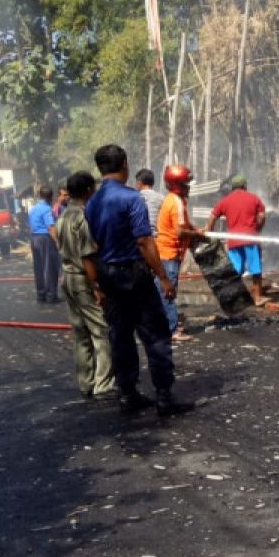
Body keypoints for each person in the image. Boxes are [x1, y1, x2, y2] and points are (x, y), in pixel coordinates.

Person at [86, 144, 186, 415]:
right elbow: (143, 240)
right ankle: (164, 395)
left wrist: (96, 284)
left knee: (120, 335)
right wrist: (164, 278)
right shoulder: (132, 198)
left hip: (108, 274)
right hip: (133, 274)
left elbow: (93, 245)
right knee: (155, 334)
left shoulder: (92, 202)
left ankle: (127, 394)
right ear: (125, 165)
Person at [54, 171, 115, 400]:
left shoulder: (62, 217)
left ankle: (85, 382)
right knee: (100, 331)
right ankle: (104, 383)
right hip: (82, 278)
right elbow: (89, 256)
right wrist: (97, 286)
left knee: (80, 333)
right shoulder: (83, 217)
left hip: (68, 277)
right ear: (89, 190)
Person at [205, 174, 267, 306]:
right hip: (250, 239)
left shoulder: (225, 201)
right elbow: (262, 216)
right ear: (244, 186)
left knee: (235, 270)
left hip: (233, 241)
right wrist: (258, 230)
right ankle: (257, 298)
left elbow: (213, 216)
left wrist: (209, 231)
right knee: (255, 268)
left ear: (232, 187)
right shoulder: (253, 198)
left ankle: (232, 299)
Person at [157, 164, 203, 341]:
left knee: (162, 292)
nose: (189, 187)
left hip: (167, 253)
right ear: (177, 184)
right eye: (186, 183)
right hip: (169, 254)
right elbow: (179, 232)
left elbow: (184, 226)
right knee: (168, 292)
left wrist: (195, 229)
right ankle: (172, 330)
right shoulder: (175, 201)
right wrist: (196, 234)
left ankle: (164, 326)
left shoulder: (175, 199)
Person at [30, 186, 60, 303]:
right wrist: (58, 242)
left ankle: (40, 294)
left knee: (39, 268)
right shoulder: (47, 209)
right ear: (50, 197)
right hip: (45, 238)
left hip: (34, 238)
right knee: (50, 267)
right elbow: (51, 227)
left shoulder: (34, 208)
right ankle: (51, 295)